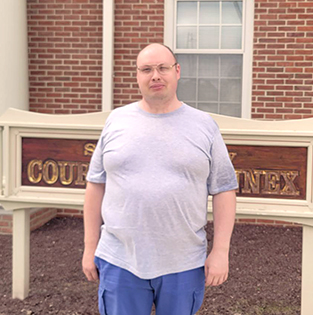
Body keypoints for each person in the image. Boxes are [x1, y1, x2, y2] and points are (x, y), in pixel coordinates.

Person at [82, 43, 238, 315]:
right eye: (146, 69)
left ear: (177, 71)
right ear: (137, 76)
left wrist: (221, 251)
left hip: (183, 263)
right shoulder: (116, 121)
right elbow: (96, 184)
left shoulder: (204, 125)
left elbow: (224, 189)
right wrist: (89, 246)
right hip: (119, 260)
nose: (155, 75)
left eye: (162, 68)